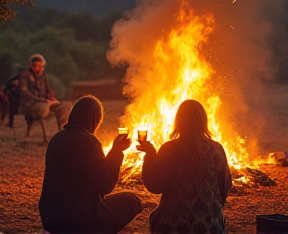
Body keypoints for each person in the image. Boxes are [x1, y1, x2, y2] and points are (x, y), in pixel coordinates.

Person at [39, 95, 142, 233]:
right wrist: (117, 151)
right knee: (132, 201)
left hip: (51, 218)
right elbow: (106, 184)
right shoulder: (88, 141)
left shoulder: (56, 139)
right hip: (78, 220)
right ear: (94, 120)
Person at [137, 99, 232, 234]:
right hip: (210, 227)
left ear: (179, 121)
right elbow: (225, 186)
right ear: (203, 121)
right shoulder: (217, 149)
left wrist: (150, 155)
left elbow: (154, 185)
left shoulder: (170, 149)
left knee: (156, 217)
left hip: (173, 226)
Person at [18, 54, 72, 130]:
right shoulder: (25, 75)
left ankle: (63, 128)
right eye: (35, 66)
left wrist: (52, 98)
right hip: (31, 104)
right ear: (31, 66)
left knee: (67, 105)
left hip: (46, 103)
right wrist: (44, 101)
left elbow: (47, 90)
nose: (38, 68)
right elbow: (25, 93)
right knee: (44, 107)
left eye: (40, 66)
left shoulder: (44, 76)